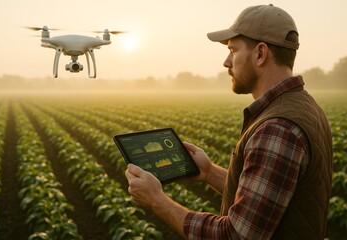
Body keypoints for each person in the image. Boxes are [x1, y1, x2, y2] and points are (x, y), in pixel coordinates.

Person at [125, 4, 333, 239]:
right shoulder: (304, 106)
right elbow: (266, 200)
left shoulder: (277, 128)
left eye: (233, 50)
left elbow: (235, 235)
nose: (226, 62)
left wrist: (157, 201)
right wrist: (209, 172)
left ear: (260, 54)